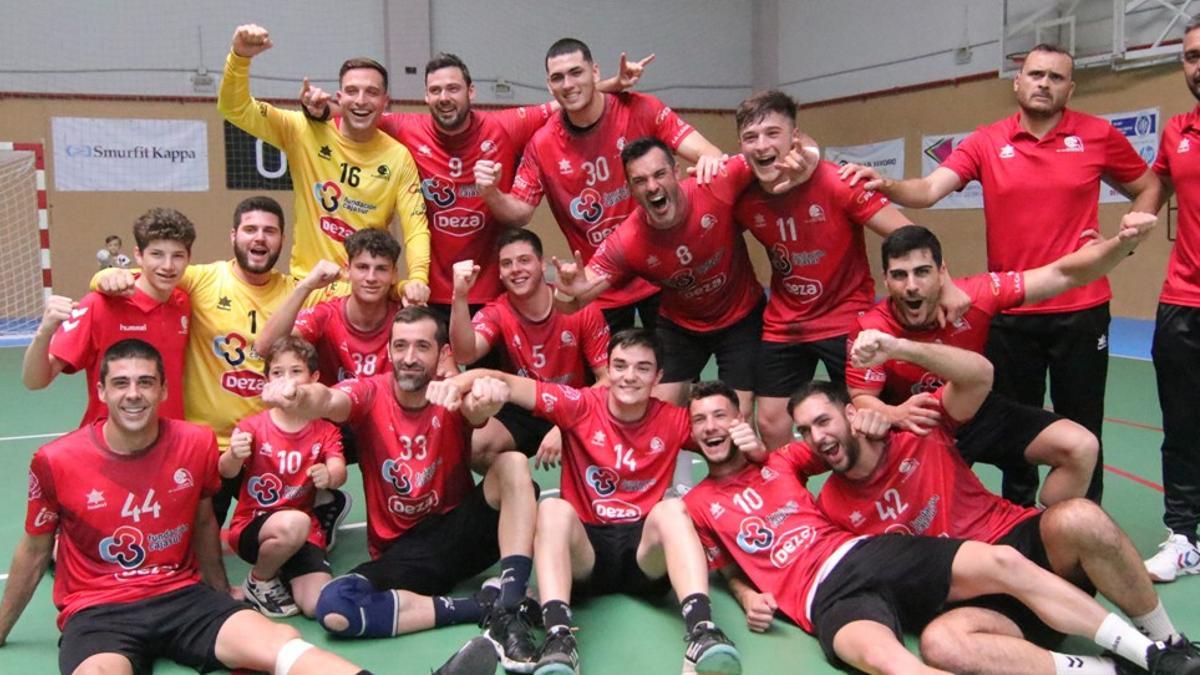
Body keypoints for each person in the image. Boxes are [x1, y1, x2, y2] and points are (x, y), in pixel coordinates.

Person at [683, 378, 1200, 674]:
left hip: (911, 554)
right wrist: (745, 592)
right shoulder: (716, 498)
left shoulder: (797, 459)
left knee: (1041, 539)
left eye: (722, 416)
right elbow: (723, 557)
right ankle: (1111, 672)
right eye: (701, 419)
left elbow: (974, 375)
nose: (711, 427)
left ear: (742, 423)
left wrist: (877, 408)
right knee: (920, 655)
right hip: (844, 601)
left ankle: (1159, 649)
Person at [840, 43, 1162, 504]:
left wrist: (1132, 231)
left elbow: (1148, 185)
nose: (1043, 83)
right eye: (1035, 74)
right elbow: (930, 189)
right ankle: (1017, 517)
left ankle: (1084, 522)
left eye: (1055, 77)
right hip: (1012, 310)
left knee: (1083, 424)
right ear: (1017, 82)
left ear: (1070, 88)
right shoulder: (987, 140)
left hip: (1082, 306)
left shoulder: (1097, 135)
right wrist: (887, 184)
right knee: (1017, 425)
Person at [799, 331, 1187, 674]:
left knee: (1080, 518)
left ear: (853, 414)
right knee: (942, 645)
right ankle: (1109, 669)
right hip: (974, 598)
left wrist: (898, 349)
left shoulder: (917, 427)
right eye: (805, 431)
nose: (816, 437)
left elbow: (979, 374)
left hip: (1015, 544)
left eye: (823, 421)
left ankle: (1170, 646)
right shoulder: (832, 504)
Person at [0, 339, 369, 675]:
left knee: (282, 644)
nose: (134, 394)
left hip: (183, 596)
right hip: (100, 609)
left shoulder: (195, 442)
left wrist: (221, 593)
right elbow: (34, 551)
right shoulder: (56, 460)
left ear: (163, 389)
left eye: (145, 382)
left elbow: (204, 522)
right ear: (101, 391)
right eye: (120, 383)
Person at [427, 329, 743, 675]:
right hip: (586, 555)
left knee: (672, 509)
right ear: (607, 371)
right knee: (551, 508)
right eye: (620, 366)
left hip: (644, 556)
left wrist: (747, 442)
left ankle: (702, 632)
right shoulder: (579, 405)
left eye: (642, 368)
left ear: (658, 377)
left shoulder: (671, 418)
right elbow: (504, 380)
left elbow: (725, 447)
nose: (629, 376)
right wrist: (457, 385)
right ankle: (559, 639)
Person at [261, 307, 540, 673]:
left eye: (421, 346)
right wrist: (299, 396)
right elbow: (328, 400)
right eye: (400, 346)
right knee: (335, 608)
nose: (409, 357)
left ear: (441, 354)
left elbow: (475, 408)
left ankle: (511, 602)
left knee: (514, 465)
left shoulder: (450, 394)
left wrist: (487, 396)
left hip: (461, 535)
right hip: (402, 555)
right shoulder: (368, 394)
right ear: (389, 351)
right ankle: (486, 605)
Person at [301, 51, 650, 332]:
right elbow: (357, 110)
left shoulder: (506, 125)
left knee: (495, 392)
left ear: (471, 92)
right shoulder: (404, 128)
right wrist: (317, 107)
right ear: (425, 96)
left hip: (498, 290)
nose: (444, 97)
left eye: (453, 88)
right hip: (434, 293)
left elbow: (568, 99)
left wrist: (615, 83)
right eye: (435, 90)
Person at [91, 197, 352, 538]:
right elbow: (148, 279)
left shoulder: (299, 291)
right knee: (184, 540)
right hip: (208, 444)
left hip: (268, 446)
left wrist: (406, 285)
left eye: (270, 231)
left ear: (281, 240)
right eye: (250, 229)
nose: (259, 238)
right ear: (233, 236)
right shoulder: (202, 279)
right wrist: (108, 275)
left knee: (286, 537)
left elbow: (368, 286)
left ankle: (322, 498)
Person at [846, 222, 1152, 506]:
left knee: (1080, 447)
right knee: (933, 516)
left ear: (942, 273)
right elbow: (862, 398)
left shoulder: (977, 295)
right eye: (899, 275)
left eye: (922, 272)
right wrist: (895, 413)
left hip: (979, 414)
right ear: (885, 278)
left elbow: (1062, 274)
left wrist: (1123, 245)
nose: (911, 285)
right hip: (918, 427)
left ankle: (1049, 534)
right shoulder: (870, 328)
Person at [478, 37, 728, 333]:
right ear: (549, 86)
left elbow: (709, 153)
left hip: (661, 275)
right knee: (613, 377)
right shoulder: (542, 144)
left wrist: (710, 165)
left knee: (671, 376)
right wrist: (491, 193)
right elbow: (519, 214)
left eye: (576, 72)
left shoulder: (642, 110)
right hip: (600, 286)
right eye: (558, 78)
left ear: (595, 72)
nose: (568, 84)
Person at [552, 137, 809, 416]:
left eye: (659, 174)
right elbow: (574, 300)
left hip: (740, 319)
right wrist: (567, 289)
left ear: (676, 172)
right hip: (681, 327)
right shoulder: (628, 240)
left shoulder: (715, 184)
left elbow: (782, 151)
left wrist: (810, 159)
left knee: (735, 414)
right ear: (630, 190)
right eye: (640, 181)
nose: (652, 187)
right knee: (656, 411)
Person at [731, 89, 914, 450]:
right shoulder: (744, 195)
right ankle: (789, 499)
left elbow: (906, 235)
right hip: (785, 323)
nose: (761, 145)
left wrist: (927, 287)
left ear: (794, 137)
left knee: (864, 420)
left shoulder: (838, 182)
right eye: (750, 137)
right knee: (770, 421)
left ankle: (870, 495)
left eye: (772, 133)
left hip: (845, 317)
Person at [217, 23, 430, 304]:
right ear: (339, 98)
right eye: (352, 91)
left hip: (366, 295)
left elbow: (415, 227)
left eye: (372, 92)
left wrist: (417, 278)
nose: (361, 101)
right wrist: (240, 57)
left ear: (385, 101)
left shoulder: (398, 157)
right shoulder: (303, 130)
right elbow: (235, 108)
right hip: (308, 291)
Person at [449, 228, 609, 468]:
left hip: (575, 405)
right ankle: (517, 489)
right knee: (474, 446)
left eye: (524, 260)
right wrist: (459, 295)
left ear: (542, 265)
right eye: (507, 263)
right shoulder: (498, 312)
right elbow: (464, 354)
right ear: (500, 274)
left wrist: (568, 423)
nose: (516, 269)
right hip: (527, 408)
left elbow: (608, 380)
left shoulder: (579, 309)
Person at [24, 207, 193, 426]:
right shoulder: (98, 304)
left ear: (189, 259)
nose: (168, 266)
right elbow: (35, 381)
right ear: (138, 255)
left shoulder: (184, 303)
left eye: (177, 256)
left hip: (169, 443)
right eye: (157, 254)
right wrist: (43, 333)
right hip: (109, 447)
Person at [222, 336, 347, 619]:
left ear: (314, 378)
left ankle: (282, 570)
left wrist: (329, 475)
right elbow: (226, 471)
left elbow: (338, 471)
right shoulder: (252, 426)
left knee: (318, 606)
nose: (286, 379)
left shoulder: (324, 429)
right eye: (277, 373)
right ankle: (259, 580)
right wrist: (233, 454)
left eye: (296, 371)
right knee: (295, 523)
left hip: (304, 533)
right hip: (253, 526)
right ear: (267, 380)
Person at [1142, 15, 1200, 582]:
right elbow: (1155, 187)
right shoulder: (1178, 131)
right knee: (1182, 427)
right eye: (1191, 56)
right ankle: (1184, 537)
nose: (1199, 66)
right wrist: (1129, 225)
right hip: (1183, 301)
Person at [256, 229, 403, 386]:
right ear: (347, 270)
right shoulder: (326, 316)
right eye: (362, 267)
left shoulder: (406, 320)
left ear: (394, 274)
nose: (371, 278)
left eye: (381, 269)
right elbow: (265, 348)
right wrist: (305, 286)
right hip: (329, 409)